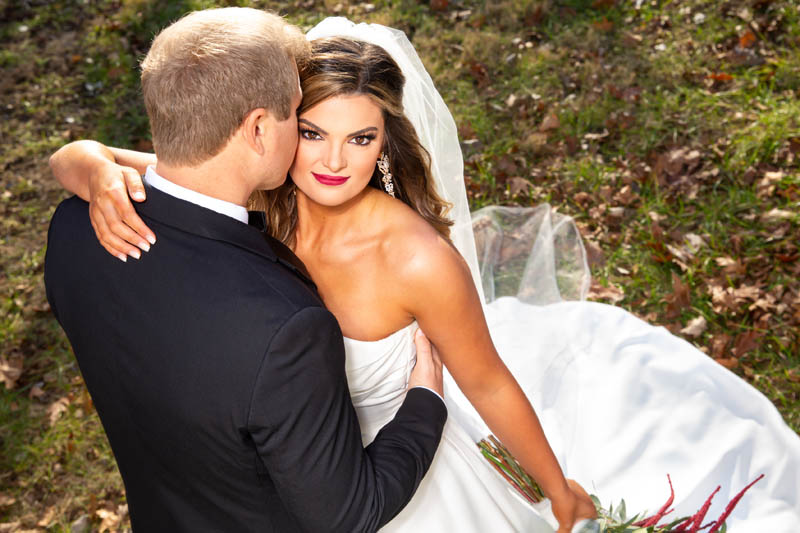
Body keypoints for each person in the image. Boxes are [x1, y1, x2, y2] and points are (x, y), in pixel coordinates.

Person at [50, 16, 800, 533]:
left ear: (386, 144)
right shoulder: (266, 193)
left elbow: (490, 382)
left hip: (407, 479)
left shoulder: (416, 259)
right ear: (274, 130)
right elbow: (137, 166)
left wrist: (559, 490)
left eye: (360, 139)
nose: (332, 161)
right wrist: (87, 164)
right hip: (303, 478)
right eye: (311, 132)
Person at [44, 9, 450, 533]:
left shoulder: (74, 228)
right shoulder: (284, 327)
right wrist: (425, 405)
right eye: (298, 115)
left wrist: (89, 162)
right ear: (259, 127)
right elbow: (349, 515)